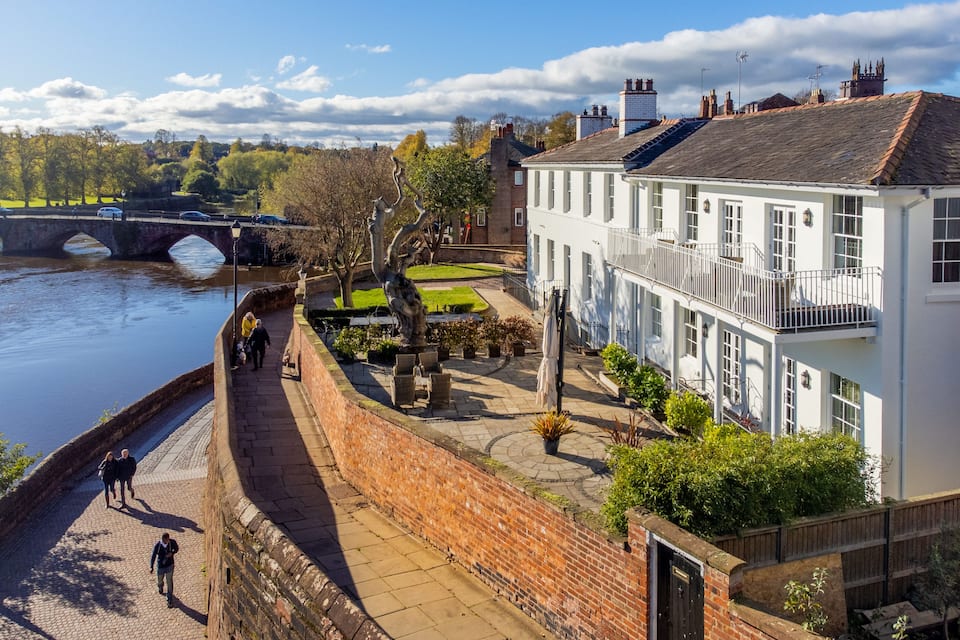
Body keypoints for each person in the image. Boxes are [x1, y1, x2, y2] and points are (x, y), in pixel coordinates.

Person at [149, 532, 179, 607]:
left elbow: (176, 549)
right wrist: (151, 566)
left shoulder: (172, 542)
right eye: (166, 540)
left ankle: (169, 599)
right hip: (161, 566)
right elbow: (153, 555)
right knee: (160, 579)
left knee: (169, 582)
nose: (167, 541)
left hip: (170, 565)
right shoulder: (158, 545)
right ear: (163, 539)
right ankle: (160, 587)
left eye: (168, 539)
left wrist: (172, 553)